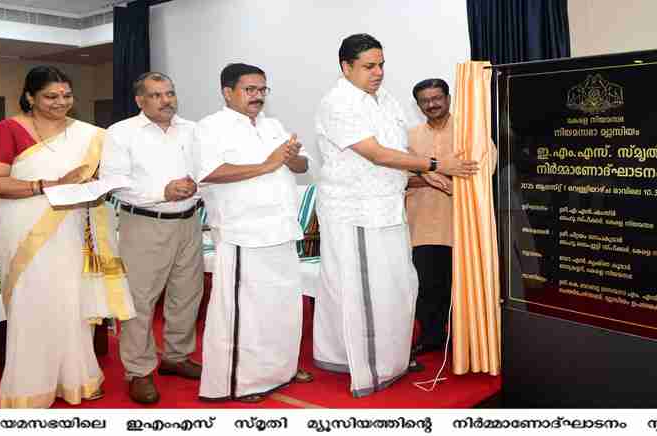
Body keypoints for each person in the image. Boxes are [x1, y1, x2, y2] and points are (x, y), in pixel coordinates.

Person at [313, 34, 478, 397]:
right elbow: (375, 154)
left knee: (401, 286)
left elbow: (397, 153)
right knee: (366, 291)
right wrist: (436, 164)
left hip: (389, 207)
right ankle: (370, 368)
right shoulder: (338, 102)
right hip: (357, 211)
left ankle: (393, 357)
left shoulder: (386, 100)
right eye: (369, 66)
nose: (378, 72)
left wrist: (423, 174)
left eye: (381, 65)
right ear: (346, 67)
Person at [0, 65, 134, 408]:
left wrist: (95, 187)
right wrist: (50, 185)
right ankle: (29, 389)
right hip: (23, 234)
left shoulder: (88, 135)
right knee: (31, 306)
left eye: (66, 95)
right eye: (50, 96)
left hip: (72, 229)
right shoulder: (8, 130)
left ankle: (75, 380)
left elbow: (103, 178)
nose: (60, 102)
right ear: (30, 97)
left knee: (71, 303)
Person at [193, 63, 313, 403]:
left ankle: (282, 370)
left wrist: (291, 158)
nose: (258, 96)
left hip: (282, 230)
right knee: (247, 313)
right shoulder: (210, 127)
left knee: (283, 307)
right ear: (227, 92)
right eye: (250, 89)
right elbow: (210, 172)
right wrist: (267, 164)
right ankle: (244, 382)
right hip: (244, 233)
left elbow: (303, 165)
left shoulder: (272, 125)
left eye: (262, 89)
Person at [100, 72, 204, 405]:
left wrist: (197, 186)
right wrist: (163, 192)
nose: (166, 100)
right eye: (156, 95)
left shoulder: (193, 130)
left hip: (190, 222)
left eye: (170, 93)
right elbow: (114, 183)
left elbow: (208, 171)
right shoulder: (121, 133)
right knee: (139, 301)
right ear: (139, 100)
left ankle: (176, 356)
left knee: (187, 295)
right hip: (145, 223)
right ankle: (138, 371)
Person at [407, 78, 455, 357]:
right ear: (418, 105)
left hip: (460, 223)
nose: (432, 104)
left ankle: (464, 338)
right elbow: (398, 178)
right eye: (425, 101)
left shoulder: (469, 131)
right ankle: (431, 337)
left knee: (459, 286)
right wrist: (434, 178)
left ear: (448, 98)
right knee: (426, 285)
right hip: (421, 222)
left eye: (437, 98)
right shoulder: (410, 137)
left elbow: (482, 169)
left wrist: (424, 173)